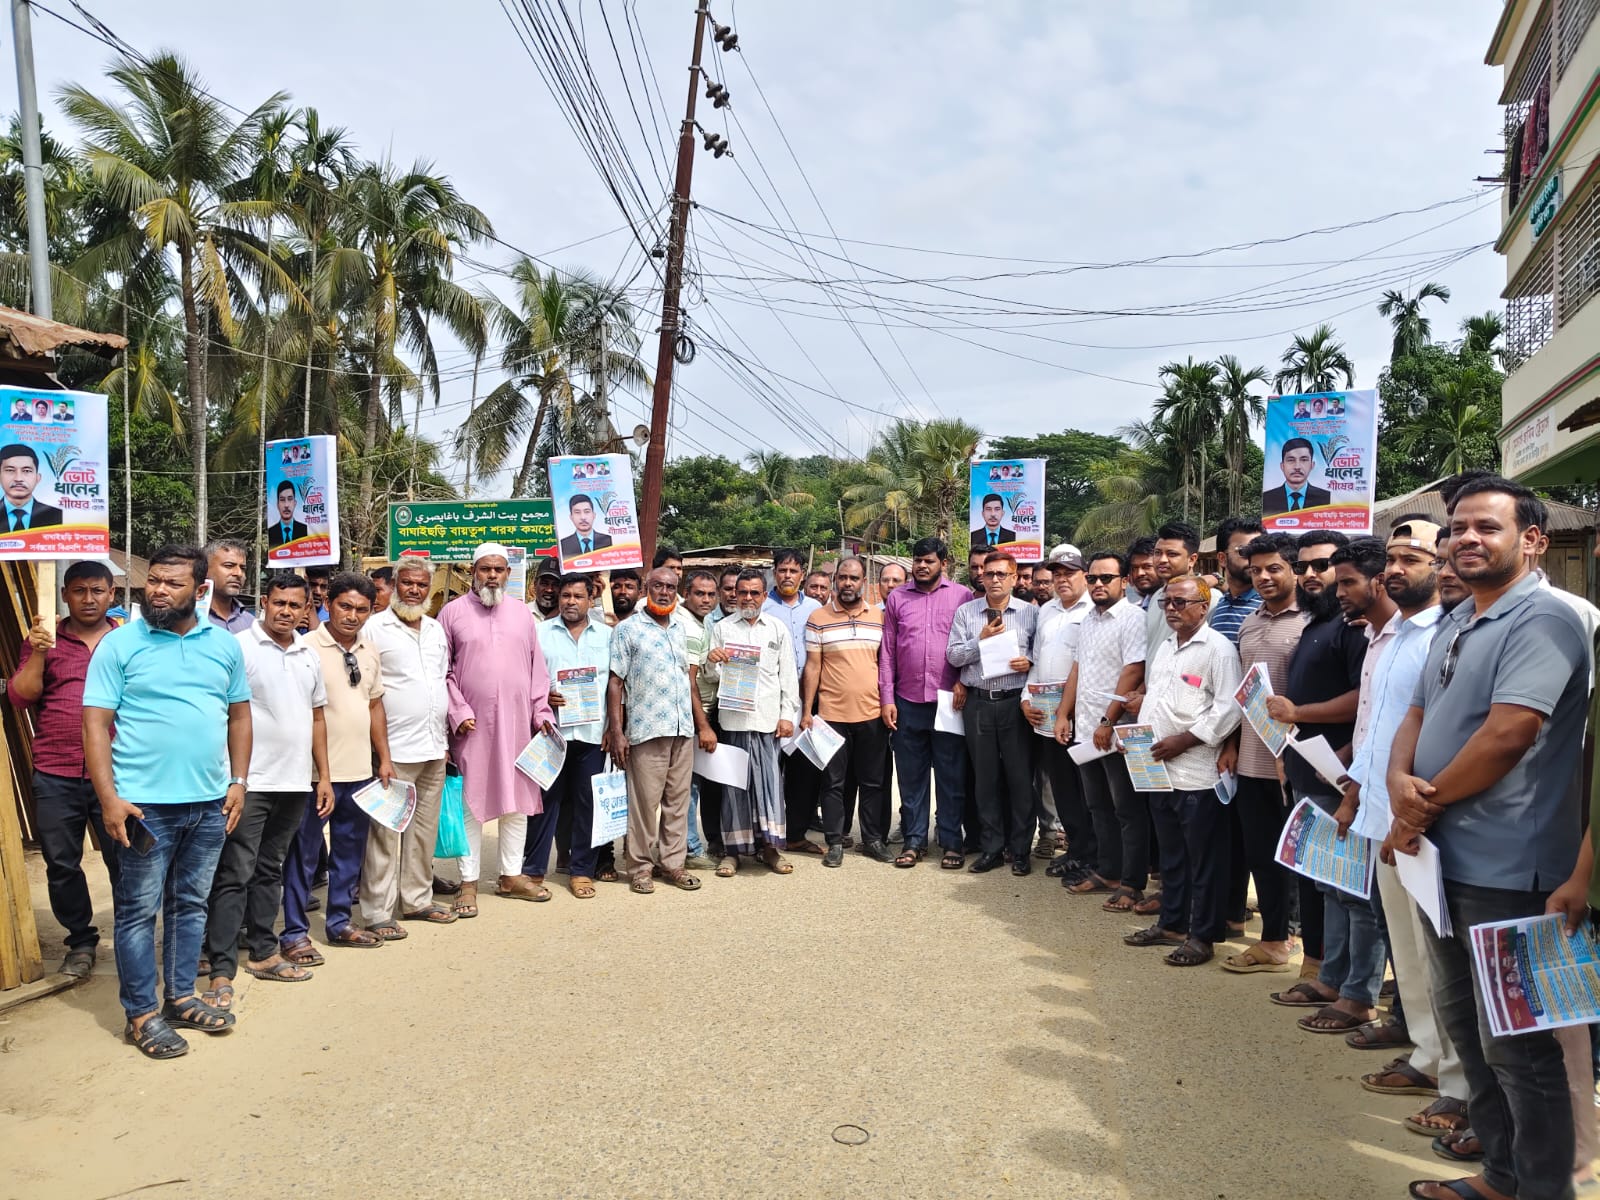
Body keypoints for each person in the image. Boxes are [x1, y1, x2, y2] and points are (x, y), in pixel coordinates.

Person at [1388, 475, 1588, 1200]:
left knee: (1519, 1048)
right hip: (1442, 861)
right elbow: (1415, 713)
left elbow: (1509, 734)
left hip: (1511, 868)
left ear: (1532, 541)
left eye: (1487, 527)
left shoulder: (1545, 620)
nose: (1466, 539)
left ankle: (1543, 1190)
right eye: (1457, 528)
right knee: (1470, 1032)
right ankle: (1501, 1177)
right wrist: (1399, 781)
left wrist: (1420, 807)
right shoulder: (1457, 618)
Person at [83, 544, 252, 1059]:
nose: (157, 590)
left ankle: (179, 998)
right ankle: (141, 1014)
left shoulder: (223, 646)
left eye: (172, 583)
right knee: (138, 911)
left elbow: (239, 716)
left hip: (209, 804)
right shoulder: (120, 644)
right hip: (143, 807)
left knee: (190, 904)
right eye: (153, 580)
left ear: (200, 590)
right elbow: (94, 725)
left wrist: (238, 781)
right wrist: (109, 798)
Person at [1328, 520, 1465, 1138]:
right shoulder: (1385, 636)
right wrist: (1357, 792)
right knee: (1407, 952)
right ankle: (1428, 1055)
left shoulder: (1448, 634)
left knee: (1440, 957)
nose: (1397, 568)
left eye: (1413, 557)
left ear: (1440, 565)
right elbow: (1376, 729)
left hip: (1423, 819)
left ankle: (1458, 1080)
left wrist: (1407, 812)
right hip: (1381, 812)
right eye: (1392, 557)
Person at [1264, 536, 1380, 1029]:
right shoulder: (1320, 624)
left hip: (1341, 775)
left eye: (1323, 565)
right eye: (1303, 565)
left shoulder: (1356, 630)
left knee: (1354, 890)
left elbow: (1364, 698)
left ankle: (1359, 993)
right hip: (1309, 768)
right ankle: (1331, 978)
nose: (1311, 574)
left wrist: (1301, 714)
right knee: (1329, 883)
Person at [202, 573, 331, 1004]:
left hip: (294, 782)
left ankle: (263, 952)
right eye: (280, 603)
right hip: (250, 782)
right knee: (235, 872)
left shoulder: (308, 654)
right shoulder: (239, 648)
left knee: (269, 869)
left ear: (306, 609)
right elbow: (223, 712)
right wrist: (232, 780)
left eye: (296, 605)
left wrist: (322, 776)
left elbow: (316, 718)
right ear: (264, 601)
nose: (286, 612)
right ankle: (221, 966)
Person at [7, 560, 120, 979]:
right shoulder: (44, 640)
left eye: (97, 590)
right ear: (64, 595)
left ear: (112, 594)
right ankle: (81, 941)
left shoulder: (126, 641)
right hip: (57, 770)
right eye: (79, 590)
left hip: (119, 773)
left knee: (125, 860)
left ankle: (131, 935)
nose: (88, 599)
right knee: (61, 863)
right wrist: (39, 651)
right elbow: (20, 697)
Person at [1123, 573, 1242, 966]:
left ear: (1204, 607)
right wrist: (1135, 736)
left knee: (1203, 861)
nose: (1171, 609)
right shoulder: (1166, 647)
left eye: (1180, 602)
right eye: (1166, 602)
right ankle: (1172, 923)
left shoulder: (1218, 650)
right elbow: (1156, 700)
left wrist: (1186, 740)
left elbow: (1229, 708)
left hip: (1197, 773)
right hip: (1157, 770)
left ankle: (1202, 936)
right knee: (1172, 856)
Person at [438, 544, 558, 912]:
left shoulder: (522, 614)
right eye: (485, 569)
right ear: (473, 571)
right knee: (471, 803)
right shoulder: (451, 613)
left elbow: (537, 670)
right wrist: (458, 711)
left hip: (518, 724)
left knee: (516, 803)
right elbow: (441, 670)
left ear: (508, 573)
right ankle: (468, 881)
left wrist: (542, 714)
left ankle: (510, 876)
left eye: (499, 569)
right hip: (472, 727)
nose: (492, 575)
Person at [281, 573, 393, 953]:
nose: (352, 616)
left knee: (348, 854)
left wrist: (384, 758)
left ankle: (340, 922)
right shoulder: (304, 648)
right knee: (304, 855)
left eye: (362, 609)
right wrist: (320, 773)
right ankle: (294, 932)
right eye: (345, 606)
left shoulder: (370, 650)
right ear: (328, 604)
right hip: (314, 776)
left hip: (359, 772)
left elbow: (374, 706)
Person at [1220, 532, 1309, 973]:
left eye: (1274, 568)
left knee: (1294, 855)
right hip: (1253, 757)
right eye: (1256, 570)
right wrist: (1232, 744)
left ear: (1294, 569)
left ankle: (1290, 935)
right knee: (1261, 852)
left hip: (1292, 761)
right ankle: (1273, 938)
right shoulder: (1249, 623)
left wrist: (1291, 750)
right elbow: (1244, 694)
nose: (1263, 577)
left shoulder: (1310, 622)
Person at [359, 560, 457, 930]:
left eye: (421, 584)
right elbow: (368, 694)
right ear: (395, 585)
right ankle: (377, 913)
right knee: (385, 835)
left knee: (423, 833)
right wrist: (381, 754)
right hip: (394, 752)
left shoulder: (435, 630)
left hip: (432, 748)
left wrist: (443, 741)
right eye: (407, 583)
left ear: (430, 588)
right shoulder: (374, 628)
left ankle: (416, 900)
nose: (414, 590)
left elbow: (439, 683)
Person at [1058, 552, 1148, 907]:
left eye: (1106, 578)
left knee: (1127, 809)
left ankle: (1132, 881)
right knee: (1097, 805)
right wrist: (1063, 714)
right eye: (1092, 578)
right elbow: (1078, 669)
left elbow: (1133, 671)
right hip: (1086, 730)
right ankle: (1108, 870)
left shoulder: (1133, 618)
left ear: (1124, 581)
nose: (1098, 584)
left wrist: (1108, 721)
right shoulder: (1089, 620)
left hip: (1116, 731)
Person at [609, 567, 705, 892]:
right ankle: (640, 868)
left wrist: (697, 724)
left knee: (677, 803)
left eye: (670, 587)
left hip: (681, 728)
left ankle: (673, 864)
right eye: (658, 586)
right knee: (644, 806)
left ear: (677, 592)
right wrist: (617, 731)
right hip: (646, 729)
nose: (664, 592)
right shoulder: (628, 630)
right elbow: (615, 683)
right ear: (645, 590)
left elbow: (688, 678)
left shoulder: (681, 628)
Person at [880, 537, 970, 870]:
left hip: (948, 701)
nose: (921, 566)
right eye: (917, 560)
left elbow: (969, 645)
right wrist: (887, 698)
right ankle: (914, 841)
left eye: (928, 561)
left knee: (950, 776)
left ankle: (951, 841)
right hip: (907, 701)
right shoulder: (898, 598)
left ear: (943, 564)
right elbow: (888, 652)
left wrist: (963, 680)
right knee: (911, 777)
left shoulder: (961, 596)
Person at [946, 550, 1037, 875]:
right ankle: (991, 848)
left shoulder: (1030, 613)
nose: (995, 579)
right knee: (985, 779)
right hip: (979, 702)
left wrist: (1030, 662)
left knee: (1020, 778)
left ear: (1014, 578)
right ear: (981, 577)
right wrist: (980, 640)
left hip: (1015, 703)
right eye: (989, 574)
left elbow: (1041, 656)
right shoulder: (966, 613)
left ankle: (1020, 849)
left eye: (1002, 574)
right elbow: (954, 656)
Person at [705, 568, 800, 876]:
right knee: (734, 788)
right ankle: (733, 853)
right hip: (733, 721)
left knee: (769, 787)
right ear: (734, 594)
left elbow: (788, 676)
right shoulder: (722, 629)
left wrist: (787, 715)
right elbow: (712, 677)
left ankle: (770, 850)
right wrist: (713, 661)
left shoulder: (776, 628)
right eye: (742, 592)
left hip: (767, 722)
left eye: (754, 593)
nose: (747, 598)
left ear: (764, 595)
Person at [802, 556, 890, 867]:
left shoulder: (878, 617)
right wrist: (807, 711)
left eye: (854, 578)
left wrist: (888, 703)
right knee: (833, 783)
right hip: (832, 716)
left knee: (872, 781)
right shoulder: (818, 617)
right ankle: (835, 841)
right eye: (842, 578)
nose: (847, 583)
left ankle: (873, 839)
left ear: (864, 582)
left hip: (872, 713)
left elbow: (886, 664)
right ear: (835, 580)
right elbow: (813, 667)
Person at [529, 573, 613, 899]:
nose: (571, 602)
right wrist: (543, 697)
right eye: (566, 596)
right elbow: (528, 677)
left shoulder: (607, 636)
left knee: (587, 804)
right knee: (543, 802)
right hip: (551, 732)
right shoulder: (541, 633)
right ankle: (533, 870)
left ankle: (581, 871)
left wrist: (614, 727)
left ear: (590, 600)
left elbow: (615, 684)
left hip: (593, 735)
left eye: (578, 596)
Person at [1028, 549, 1092, 868]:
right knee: (1062, 786)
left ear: (1084, 575)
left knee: (1087, 789)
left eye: (1069, 573)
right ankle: (1076, 850)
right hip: (1048, 715)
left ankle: (1092, 855)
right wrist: (1025, 698)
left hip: (1082, 716)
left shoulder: (1094, 610)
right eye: (1057, 574)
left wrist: (1066, 712)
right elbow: (1037, 660)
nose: (1062, 579)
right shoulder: (1046, 611)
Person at [763, 548, 823, 855]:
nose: (788, 575)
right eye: (782, 570)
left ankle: (797, 833)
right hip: (770, 699)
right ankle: (768, 836)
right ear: (774, 572)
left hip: (807, 699)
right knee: (770, 769)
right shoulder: (762, 606)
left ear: (802, 574)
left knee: (804, 769)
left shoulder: (815, 608)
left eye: (793, 571)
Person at [681, 569, 725, 865]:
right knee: (687, 786)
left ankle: (689, 844)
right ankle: (689, 846)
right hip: (691, 716)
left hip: (705, 710)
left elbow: (706, 674)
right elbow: (689, 682)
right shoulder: (685, 625)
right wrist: (703, 726)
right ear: (686, 593)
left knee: (696, 784)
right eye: (699, 593)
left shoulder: (706, 623)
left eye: (711, 594)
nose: (706, 599)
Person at [1208, 516, 1264, 645]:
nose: (1253, 559)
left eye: (1259, 551)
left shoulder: (1270, 607)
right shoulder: (1219, 606)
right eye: (1244, 551)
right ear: (1222, 558)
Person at [0, 443, 63, 529]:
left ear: (38, 478)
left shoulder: (58, 516)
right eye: (10, 470)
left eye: (26, 471)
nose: (18, 479)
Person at [1262, 437, 1332, 515]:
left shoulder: (1327, 498)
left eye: (1304, 460)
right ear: (1282, 466)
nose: (1297, 467)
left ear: (1312, 465)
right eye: (1291, 460)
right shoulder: (1267, 498)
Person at [204, 539, 254, 631]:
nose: (239, 573)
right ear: (205, 569)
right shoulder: (187, 620)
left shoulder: (251, 623)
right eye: (229, 566)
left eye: (243, 568)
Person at [559, 493, 612, 558]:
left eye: (587, 511)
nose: (583, 517)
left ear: (594, 515)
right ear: (571, 517)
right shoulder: (563, 544)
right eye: (577, 512)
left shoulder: (608, 541)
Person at [266, 479, 308, 547]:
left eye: (290, 499)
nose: (286, 505)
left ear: (295, 503)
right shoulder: (271, 532)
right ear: (277, 504)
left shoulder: (304, 530)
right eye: (282, 500)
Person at [1125, 536, 1161, 609]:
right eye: (1135, 568)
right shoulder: (1135, 611)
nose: (1139, 573)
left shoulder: (1175, 606)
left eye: (1147, 566)